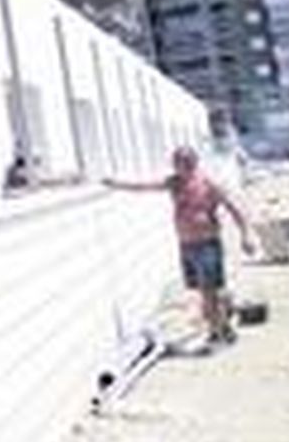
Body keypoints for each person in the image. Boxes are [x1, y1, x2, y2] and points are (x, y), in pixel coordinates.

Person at [104, 145, 256, 346]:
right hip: (187, 245)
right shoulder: (174, 183)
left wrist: (246, 235)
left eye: (182, 162)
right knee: (204, 291)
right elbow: (145, 186)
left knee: (208, 291)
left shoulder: (209, 184)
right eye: (175, 163)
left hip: (207, 243)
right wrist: (117, 184)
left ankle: (217, 331)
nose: (178, 167)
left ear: (193, 163)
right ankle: (222, 326)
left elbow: (234, 208)